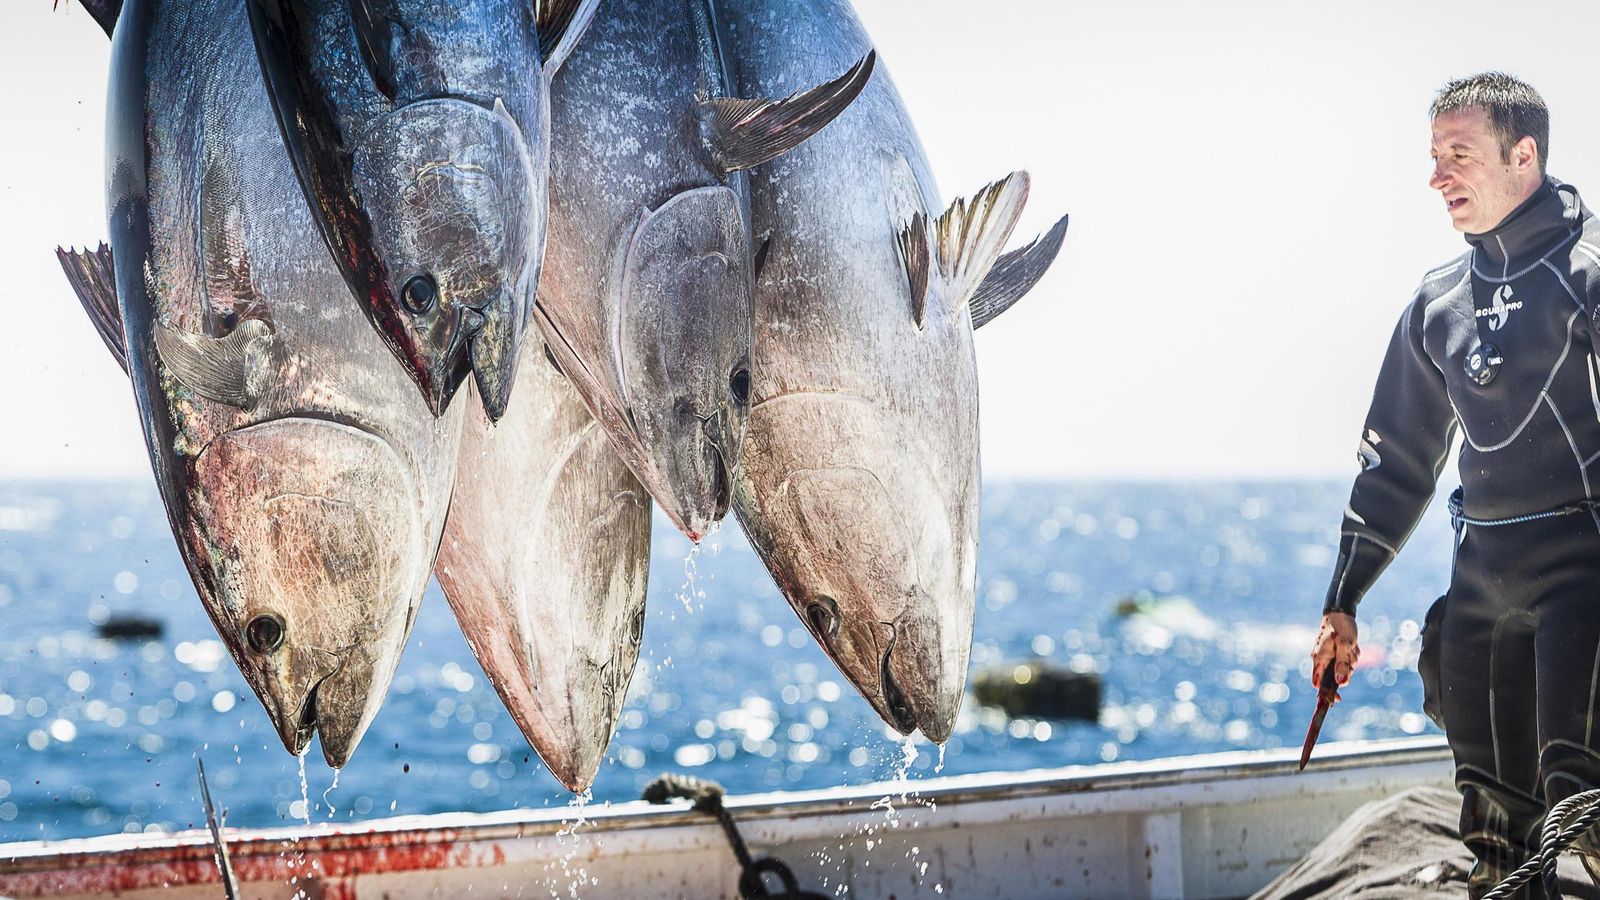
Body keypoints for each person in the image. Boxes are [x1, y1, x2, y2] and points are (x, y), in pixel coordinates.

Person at [1309, 72, 1600, 898]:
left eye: (1458, 155)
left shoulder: (1590, 276)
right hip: (1483, 581)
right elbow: (1395, 461)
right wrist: (1344, 598)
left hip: (1587, 572)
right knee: (1495, 829)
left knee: (1583, 794)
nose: (1437, 176)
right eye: (1434, 155)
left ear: (1524, 156)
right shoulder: (1437, 304)